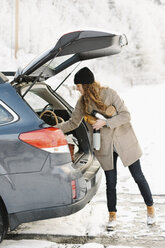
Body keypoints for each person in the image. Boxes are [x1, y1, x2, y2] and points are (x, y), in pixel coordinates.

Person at [55, 67, 155, 229]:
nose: (77, 89)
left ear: (86, 84)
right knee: (111, 182)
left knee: (138, 177)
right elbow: (73, 123)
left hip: (124, 141)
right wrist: (52, 129)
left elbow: (126, 115)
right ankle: (112, 216)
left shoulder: (110, 94)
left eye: (78, 85)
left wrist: (105, 122)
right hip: (104, 145)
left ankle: (150, 209)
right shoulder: (82, 102)